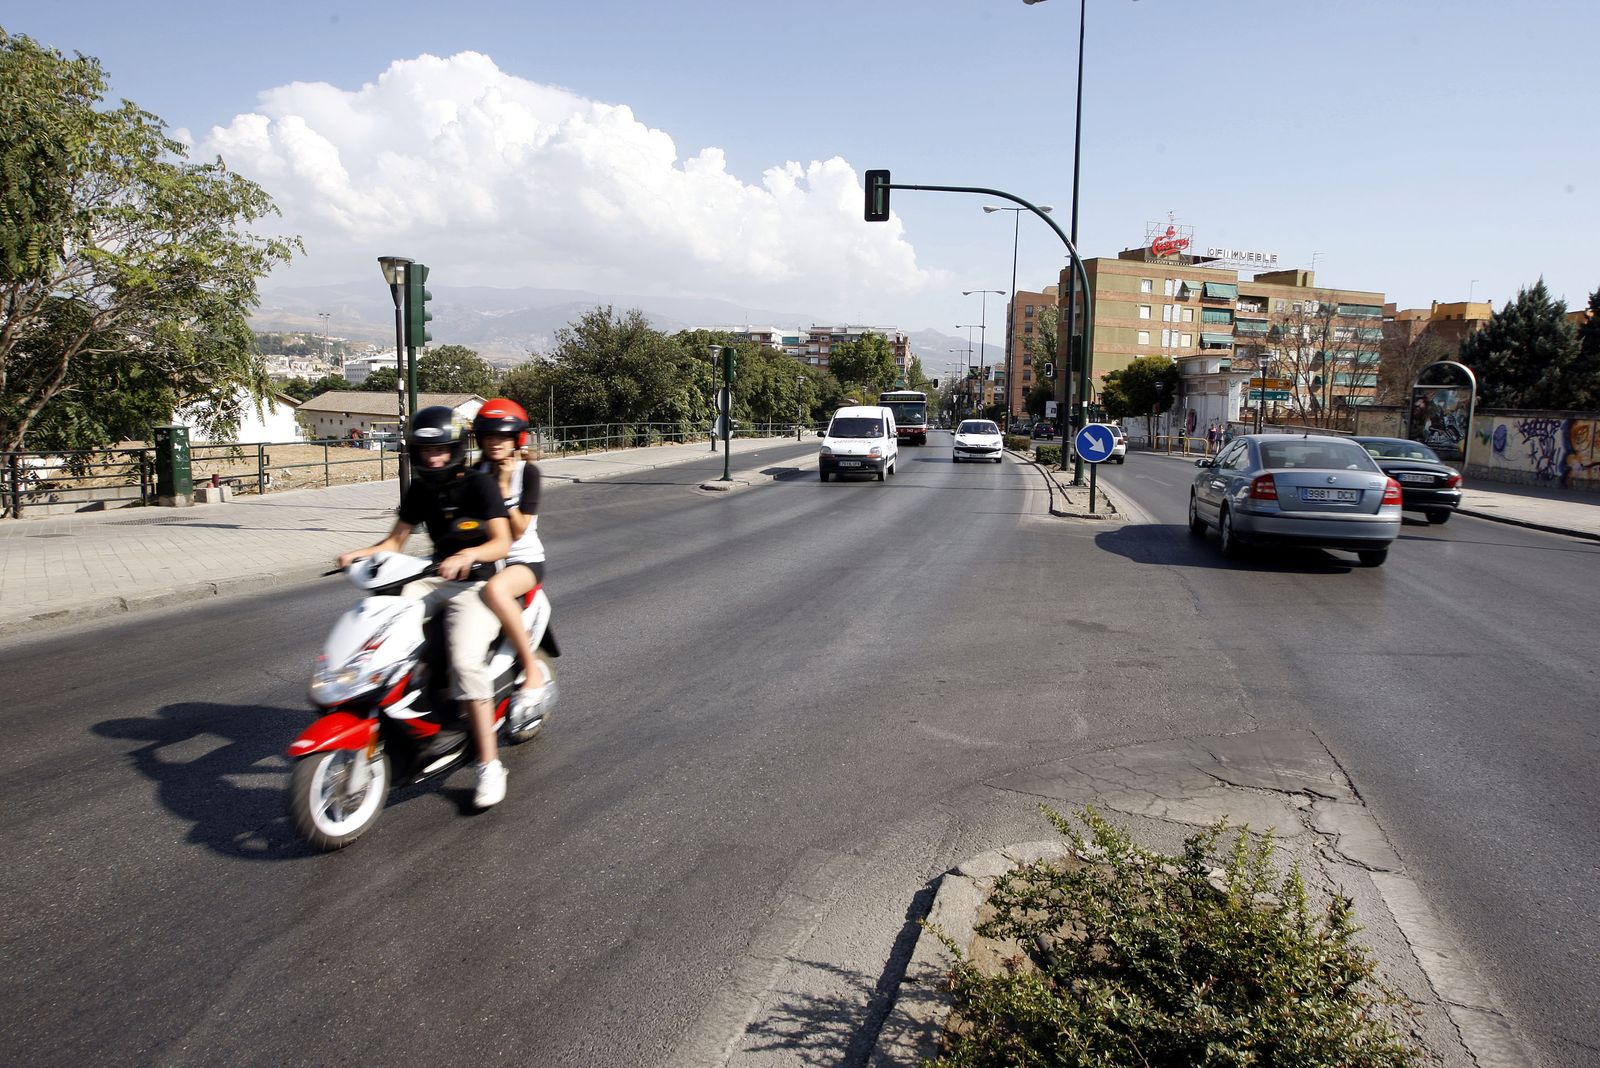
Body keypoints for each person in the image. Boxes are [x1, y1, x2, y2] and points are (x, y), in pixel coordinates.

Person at [337, 406, 514, 808]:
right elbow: (394, 542)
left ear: (456, 448)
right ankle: (395, 704)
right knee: (384, 622)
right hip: (433, 579)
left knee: (466, 659)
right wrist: (357, 554)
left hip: (474, 584)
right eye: (425, 451)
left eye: (440, 450)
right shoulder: (419, 490)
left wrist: (468, 555)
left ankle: (489, 765)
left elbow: (501, 543)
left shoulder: (479, 485)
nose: (432, 458)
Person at [471, 399, 554, 726]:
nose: (495, 443)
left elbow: (519, 530)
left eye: (503, 437)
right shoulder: (475, 472)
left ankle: (531, 671)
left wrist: (504, 488)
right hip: (485, 556)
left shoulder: (527, 473)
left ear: (518, 439)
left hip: (523, 561)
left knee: (495, 591)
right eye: (489, 436)